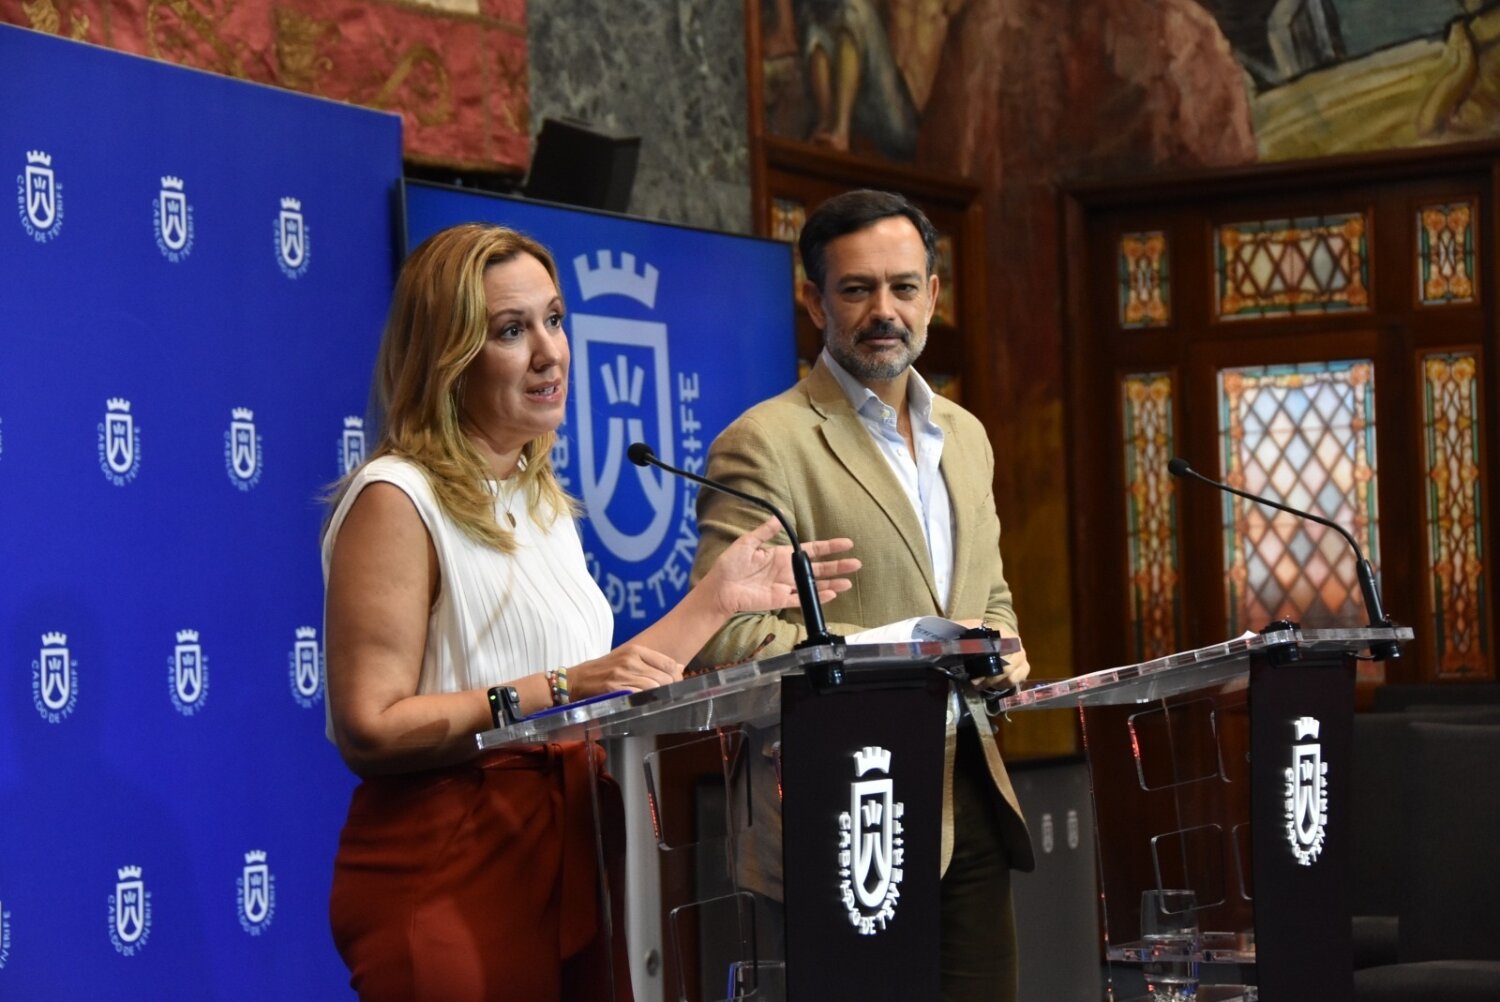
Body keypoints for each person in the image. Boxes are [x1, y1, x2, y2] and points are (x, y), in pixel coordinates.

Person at [319, 223, 859, 1002]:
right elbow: (371, 726)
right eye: (511, 331)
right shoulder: (398, 500)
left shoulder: (539, 501)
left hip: (573, 844)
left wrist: (717, 601)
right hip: (451, 862)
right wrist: (561, 687)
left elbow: (602, 678)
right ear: (448, 355)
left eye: (554, 319)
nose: (550, 352)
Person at [690, 189, 1035, 1002]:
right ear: (814, 300)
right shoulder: (764, 443)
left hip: (973, 793)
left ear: (933, 294)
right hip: (843, 804)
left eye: (904, 287)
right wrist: (905, 651)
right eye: (856, 290)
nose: (885, 310)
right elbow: (726, 640)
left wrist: (1001, 647)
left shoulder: (967, 434)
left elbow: (991, 594)